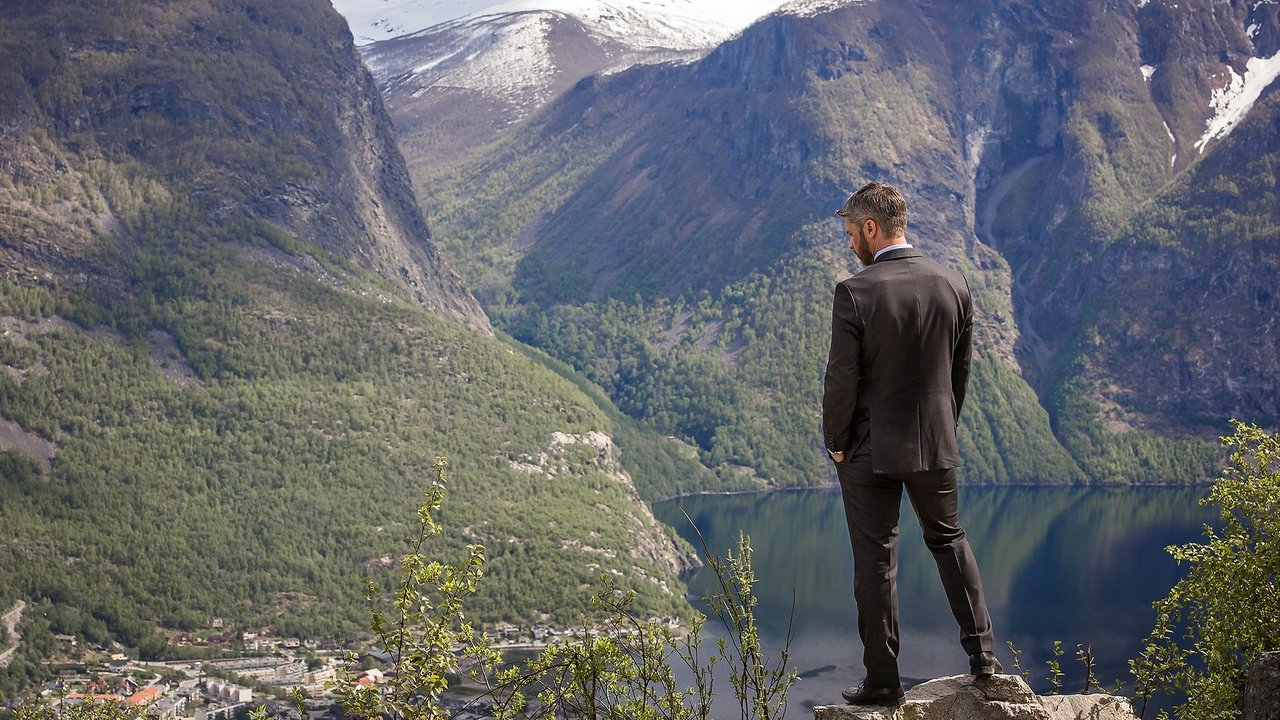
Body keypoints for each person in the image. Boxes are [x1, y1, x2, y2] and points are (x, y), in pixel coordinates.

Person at [821, 182, 1000, 706]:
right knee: (949, 540)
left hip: (868, 450)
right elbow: (958, 374)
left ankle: (882, 681)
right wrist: (944, 425)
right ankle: (984, 658)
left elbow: (841, 380)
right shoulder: (953, 284)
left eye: (852, 233)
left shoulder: (855, 292)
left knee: (875, 561)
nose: (851, 243)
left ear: (872, 229)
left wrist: (836, 442)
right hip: (934, 440)